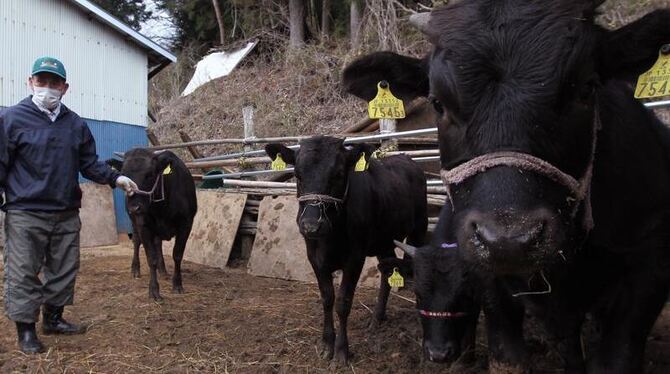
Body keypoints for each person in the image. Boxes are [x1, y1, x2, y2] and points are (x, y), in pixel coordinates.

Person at [0, 57, 138, 353]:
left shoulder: (75, 124)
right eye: (41, 81)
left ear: (65, 87)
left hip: (65, 212)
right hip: (25, 211)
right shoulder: (11, 119)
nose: (47, 88)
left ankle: (53, 319)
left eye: (54, 83)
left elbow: (88, 163)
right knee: (23, 270)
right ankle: (25, 330)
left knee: (64, 268)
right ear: (30, 82)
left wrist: (116, 179)